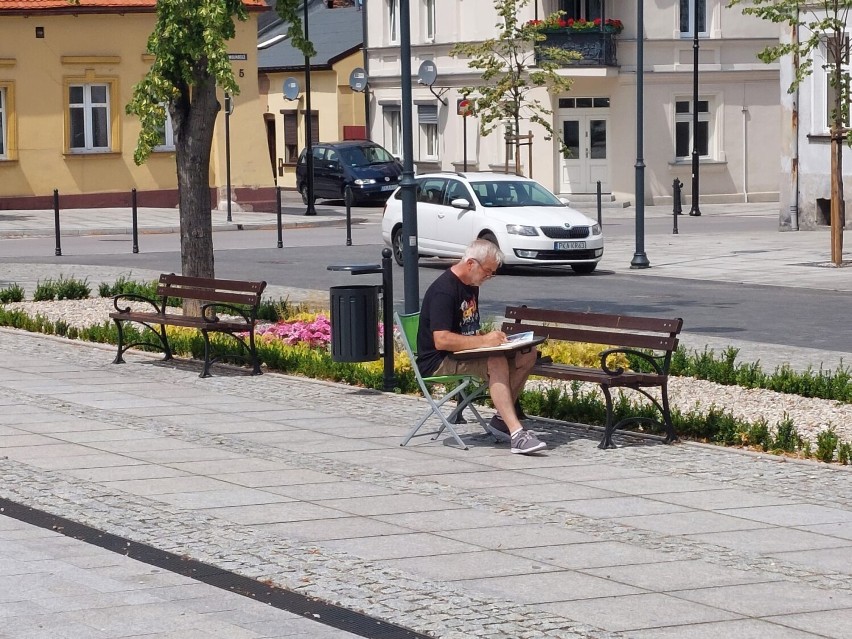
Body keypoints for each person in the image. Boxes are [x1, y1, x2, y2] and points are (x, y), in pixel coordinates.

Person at [417, 239, 546, 455]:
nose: (489, 277)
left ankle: (500, 421)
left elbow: (469, 331)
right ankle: (517, 434)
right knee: (495, 361)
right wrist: (485, 342)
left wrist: (493, 339)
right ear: (471, 264)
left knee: (526, 354)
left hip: (463, 354)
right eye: (487, 271)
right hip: (439, 361)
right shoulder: (444, 291)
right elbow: (442, 340)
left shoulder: (471, 287)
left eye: (492, 273)